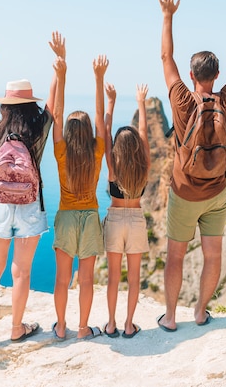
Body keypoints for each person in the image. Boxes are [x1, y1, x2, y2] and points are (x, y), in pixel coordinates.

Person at [156, 0, 226, 331]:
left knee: (175, 256)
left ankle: (170, 318)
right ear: (215, 76)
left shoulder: (183, 101)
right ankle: (200, 312)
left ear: (191, 76)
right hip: (216, 194)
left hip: (184, 194)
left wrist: (168, 16)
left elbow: (166, 58)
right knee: (212, 255)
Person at [0, 31, 56, 344]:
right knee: (20, 272)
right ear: (30, 103)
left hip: (0, 206)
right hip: (31, 207)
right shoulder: (38, 128)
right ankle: (16, 328)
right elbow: (54, 104)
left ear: (6, 104)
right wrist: (58, 69)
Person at [50, 32, 107, 341]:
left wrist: (62, 74)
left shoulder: (61, 153)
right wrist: (99, 79)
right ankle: (84, 328)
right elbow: (100, 117)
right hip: (90, 218)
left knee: (61, 280)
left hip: (66, 217)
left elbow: (56, 115)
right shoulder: (97, 151)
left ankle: (60, 327)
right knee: (86, 280)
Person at [102, 83, 151, 339]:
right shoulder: (144, 167)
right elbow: (143, 133)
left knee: (113, 278)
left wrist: (111, 101)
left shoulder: (112, 168)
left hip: (115, 219)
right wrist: (140, 102)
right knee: (134, 279)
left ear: (117, 151)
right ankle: (129, 325)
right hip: (135, 220)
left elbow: (106, 131)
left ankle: (110, 324)